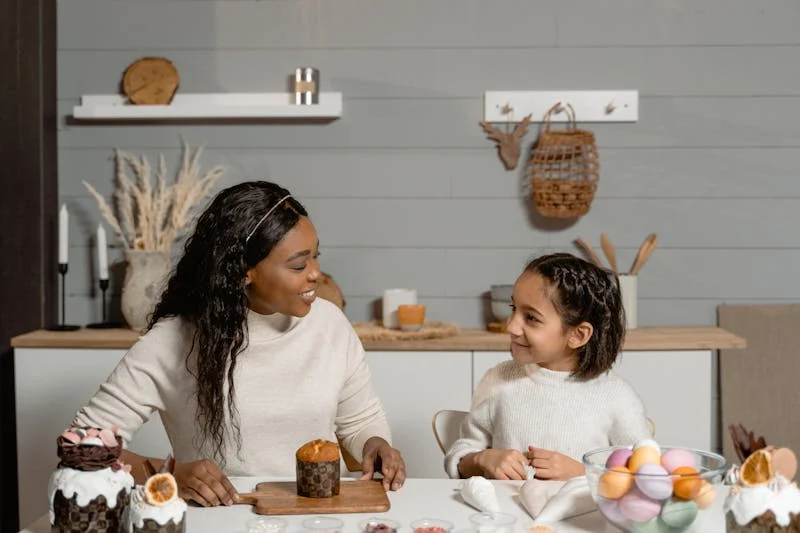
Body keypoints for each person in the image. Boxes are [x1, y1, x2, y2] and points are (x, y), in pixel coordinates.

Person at [73, 181, 406, 506]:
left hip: (318, 516)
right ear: (244, 271)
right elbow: (79, 446)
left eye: (316, 257)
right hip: (221, 518)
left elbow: (360, 420)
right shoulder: (174, 339)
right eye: (299, 264)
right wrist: (168, 472)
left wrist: (375, 444)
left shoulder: (329, 323)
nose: (315, 273)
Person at [445, 252, 651, 481]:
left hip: (579, 517)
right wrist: (482, 460)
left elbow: (644, 476)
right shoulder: (498, 380)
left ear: (578, 334)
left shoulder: (617, 397)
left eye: (531, 318)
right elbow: (461, 456)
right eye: (513, 308)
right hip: (505, 515)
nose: (511, 326)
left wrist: (583, 473)